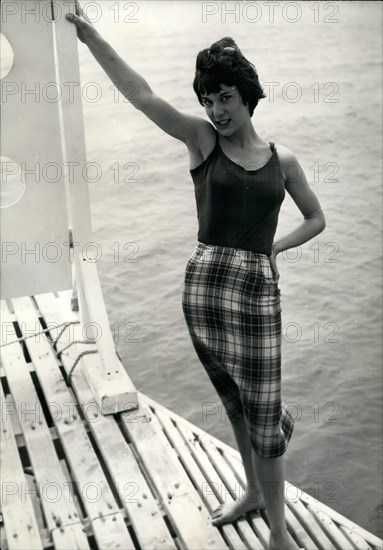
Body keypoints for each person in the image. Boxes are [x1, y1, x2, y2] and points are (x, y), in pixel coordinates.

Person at [67, 5, 326, 549]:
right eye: (207, 100)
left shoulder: (285, 159)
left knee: (263, 415)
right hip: (204, 289)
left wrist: (274, 248)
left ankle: (279, 535)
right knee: (235, 400)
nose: (216, 109)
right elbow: (143, 97)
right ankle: (254, 492)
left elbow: (316, 218)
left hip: (256, 293)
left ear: (247, 96)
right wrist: (91, 37)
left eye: (225, 98)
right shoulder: (203, 144)